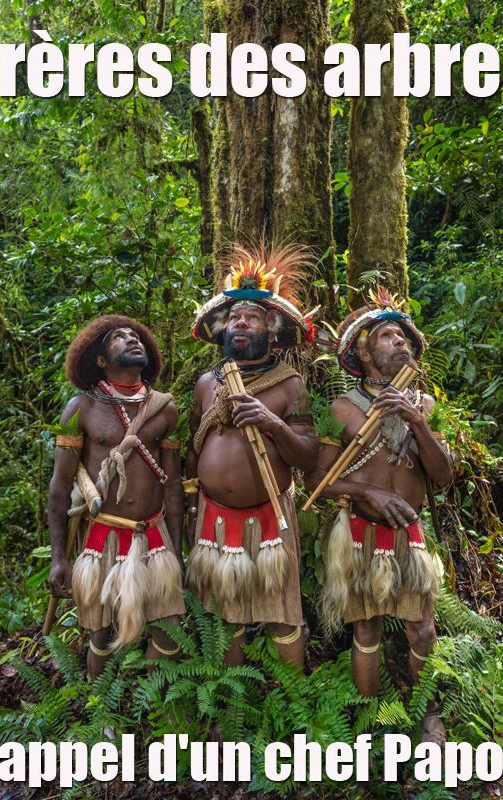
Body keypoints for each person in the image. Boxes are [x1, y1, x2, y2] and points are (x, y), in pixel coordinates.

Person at [304, 287, 453, 744]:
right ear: (365, 352)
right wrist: (367, 490)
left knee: (422, 628)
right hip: (359, 531)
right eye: (389, 336)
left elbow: (444, 477)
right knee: (365, 627)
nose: (401, 342)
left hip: (409, 532)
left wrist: (417, 421)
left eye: (404, 337)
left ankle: (425, 713)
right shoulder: (342, 408)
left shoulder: (423, 405)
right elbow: (317, 482)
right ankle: (370, 720)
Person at [186, 243, 319, 669]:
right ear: (223, 328)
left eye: (253, 317)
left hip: (269, 513)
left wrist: (274, 423)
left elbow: (308, 456)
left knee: (282, 614)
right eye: (234, 317)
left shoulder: (289, 384)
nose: (240, 322)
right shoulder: (207, 383)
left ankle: (291, 705)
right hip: (214, 515)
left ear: (273, 328)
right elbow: (194, 446)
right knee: (226, 616)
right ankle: (232, 706)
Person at [48, 315, 185, 680]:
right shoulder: (82, 409)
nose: (131, 338)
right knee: (101, 631)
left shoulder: (165, 409)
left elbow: (172, 484)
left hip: (154, 536)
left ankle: (156, 710)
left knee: (169, 627)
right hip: (102, 537)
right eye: (119, 337)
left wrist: (177, 549)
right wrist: (58, 557)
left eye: (136, 335)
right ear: (101, 361)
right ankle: (103, 719)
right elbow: (60, 486)